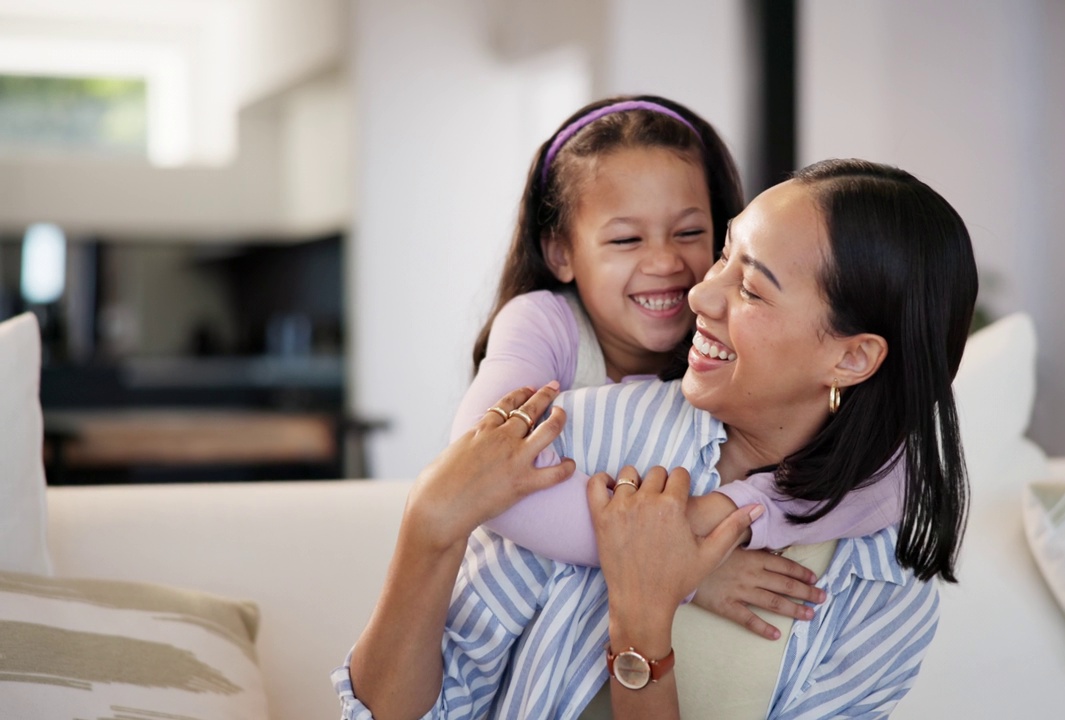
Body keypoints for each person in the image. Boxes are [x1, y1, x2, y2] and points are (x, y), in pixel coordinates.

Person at [338, 158, 977, 718]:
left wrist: (643, 623)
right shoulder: (589, 437)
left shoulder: (882, 594)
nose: (698, 292)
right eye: (724, 256)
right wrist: (428, 526)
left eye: (751, 288)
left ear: (853, 359)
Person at [455, 98, 907, 637]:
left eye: (690, 234)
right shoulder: (542, 324)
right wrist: (688, 572)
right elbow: (481, 475)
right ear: (560, 254)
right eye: (626, 239)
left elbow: (888, 470)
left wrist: (727, 513)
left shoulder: (734, 341)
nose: (667, 263)